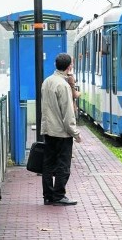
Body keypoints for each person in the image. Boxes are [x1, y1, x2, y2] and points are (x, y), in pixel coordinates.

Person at [41, 53, 82, 206]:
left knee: (48, 164)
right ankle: (59, 196)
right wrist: (75, 133)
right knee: (63, 164)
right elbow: (67, 112)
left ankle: (48, 196)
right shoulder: (63, 85)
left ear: (55, 64)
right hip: (62, 132)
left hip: (48, 129)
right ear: (69, 66)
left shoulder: (47, 81)